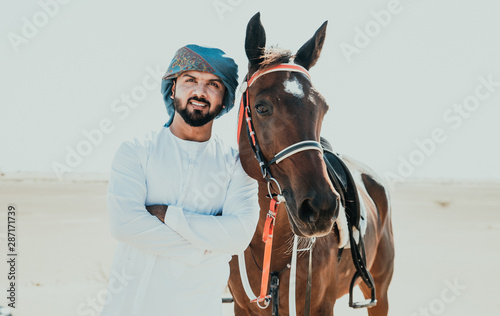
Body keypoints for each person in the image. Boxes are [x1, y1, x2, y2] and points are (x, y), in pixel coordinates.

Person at [101, 44, 259, 316]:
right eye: (190, 80)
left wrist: (167, 216)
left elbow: (238, 236)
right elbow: (124, 225)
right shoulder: (137, 151)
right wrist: (204, 250)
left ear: (225, 100)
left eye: (213, 84)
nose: (200, 91)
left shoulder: (237, 166)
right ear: (173, 88)